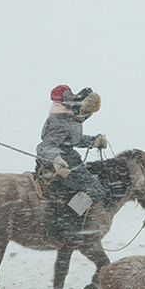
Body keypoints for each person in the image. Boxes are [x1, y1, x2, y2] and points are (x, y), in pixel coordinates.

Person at [35, 85, 108, 240]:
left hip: (70, 159)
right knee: (94, 189)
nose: (88, 116)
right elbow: (46, 146)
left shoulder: (70, 118)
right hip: (62, 163)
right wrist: (56, 159)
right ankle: (67, 225)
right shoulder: (59, 120)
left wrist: (93, 141)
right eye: (87, 111)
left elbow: (73, 140)